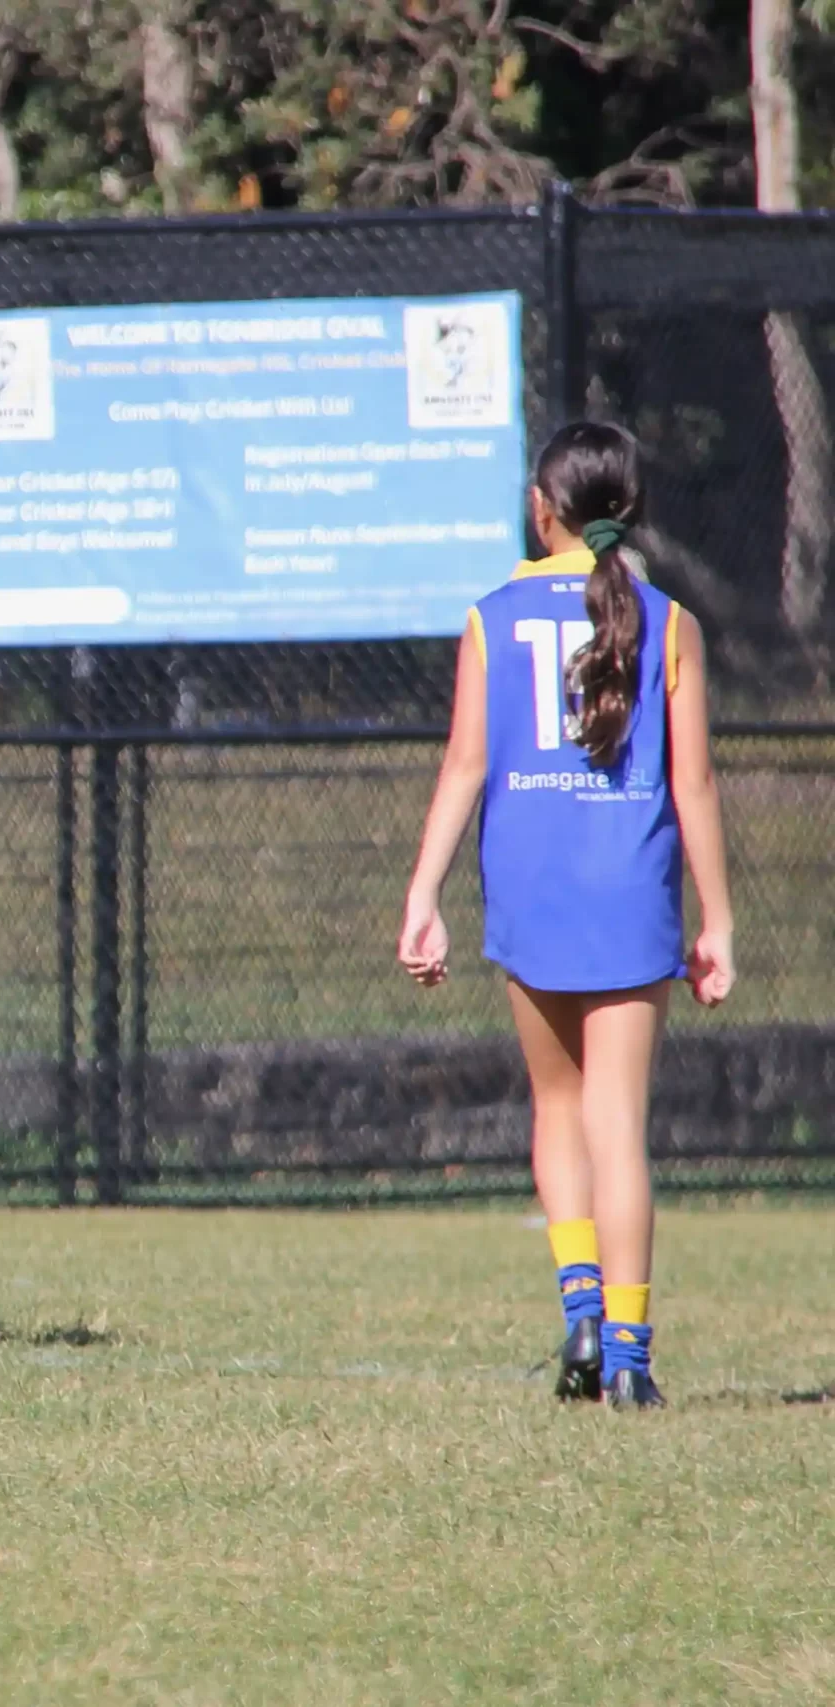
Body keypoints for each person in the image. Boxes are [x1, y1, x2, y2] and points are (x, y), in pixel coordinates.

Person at [398, 421, 734, 1411]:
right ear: (629, 511)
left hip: (531, 885)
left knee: (557, 1107)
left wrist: (422, 894)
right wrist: (716, 919)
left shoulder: (490, 618)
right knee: (616, 1125)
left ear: (540, 510)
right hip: (628, 891)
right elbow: (695, 784)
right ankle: (628, 1359)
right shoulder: (668, 622)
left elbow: (464, 764)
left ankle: (580, 1309)